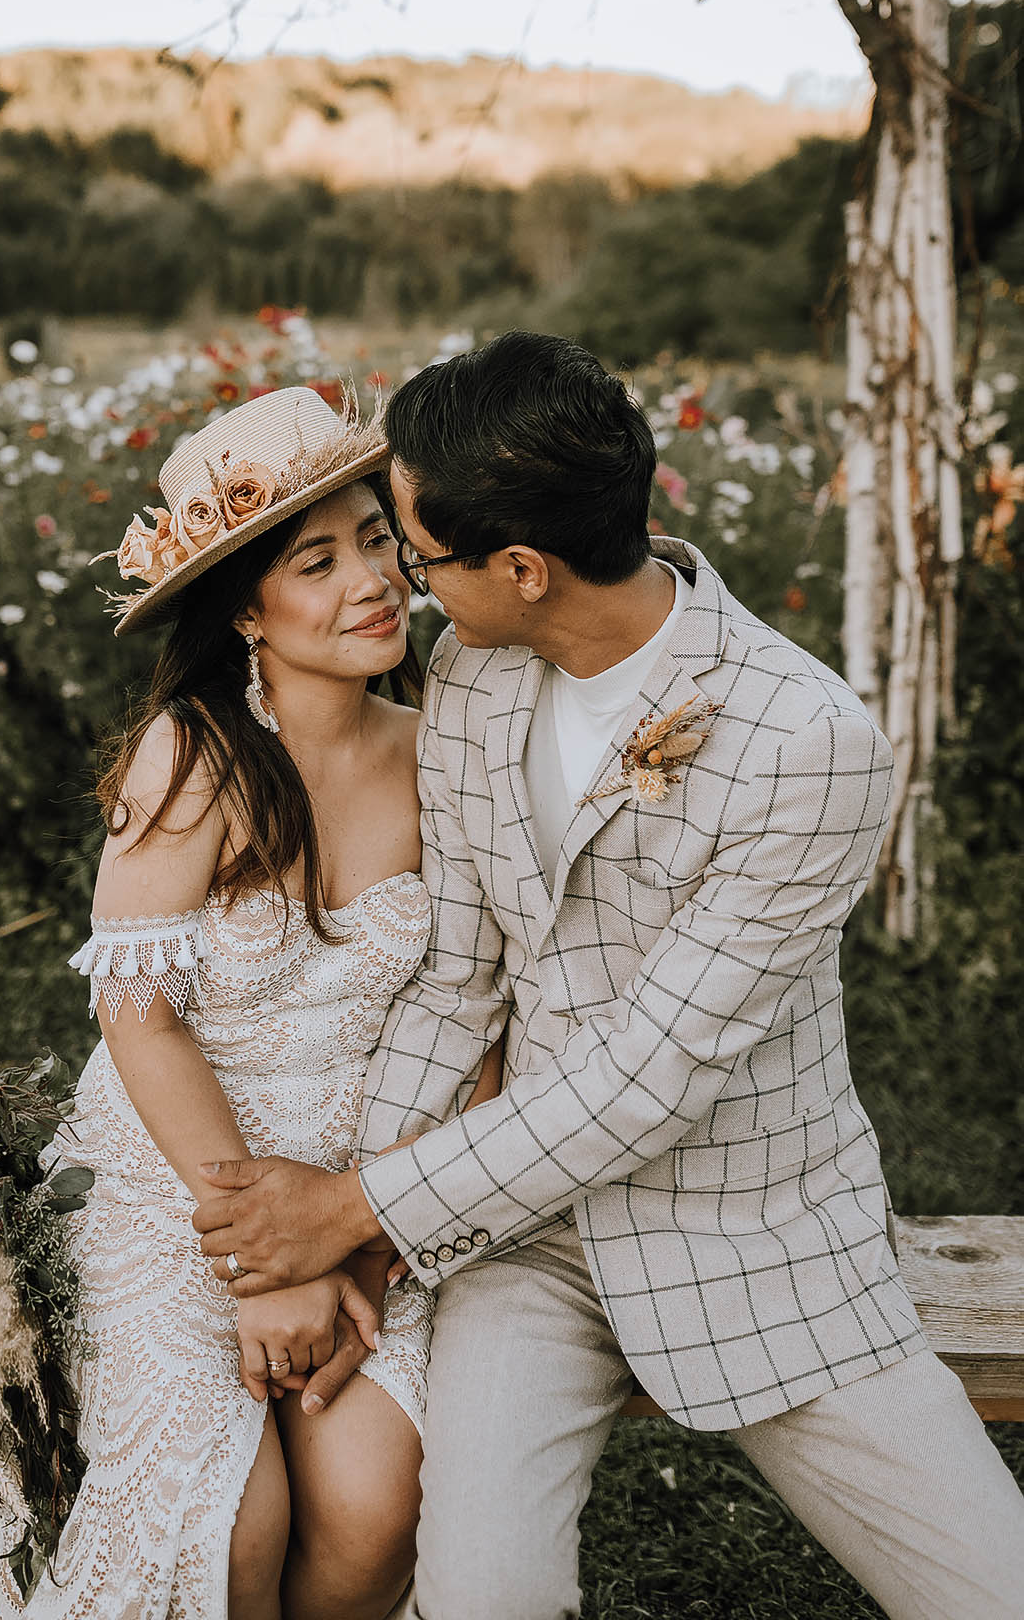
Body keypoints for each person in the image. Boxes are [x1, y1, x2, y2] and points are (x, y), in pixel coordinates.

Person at [192, 332, 1024, 1620]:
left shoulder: (811, 744)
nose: (404, 587)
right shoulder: (474, 673)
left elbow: (648, 1079)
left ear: (523, 568)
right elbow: (457, 982)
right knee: (481, 1601)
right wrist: (355, 1241)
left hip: (755, 1237)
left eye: (416, 555)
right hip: (521, 1249)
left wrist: (356, 1205)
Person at [0, 383, 500, 1620]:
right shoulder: (189, 757)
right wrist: (261, 1263)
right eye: (318, 559)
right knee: (232, 1520)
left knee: (372, 1512)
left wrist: (363, 1229)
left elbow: (474, 1008)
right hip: (175, 1186)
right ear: (246, 606)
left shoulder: (438, 748)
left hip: (362, 1189)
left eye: (373, 540)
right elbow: (139, 1019)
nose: (372, 581)